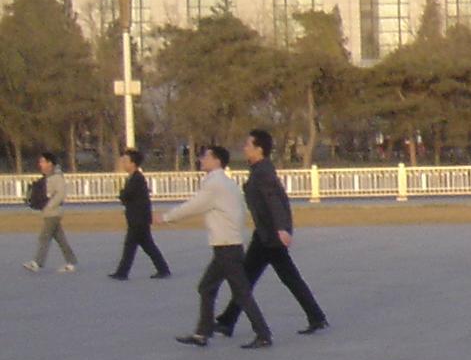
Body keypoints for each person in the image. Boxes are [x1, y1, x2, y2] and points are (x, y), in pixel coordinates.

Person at [214, 129, 328, 337]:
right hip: (265, 234)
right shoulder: (259, 170)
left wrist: (282, 229)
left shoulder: (263, 173)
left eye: (248, 145)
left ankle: (228, 320)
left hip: (270, 237)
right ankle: (228, 320)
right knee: (257, 277)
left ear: (259, 149)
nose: (244, 148)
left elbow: (276, 202)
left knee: (258, 278)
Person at [158, 145, 270, 348]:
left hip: (227, 245)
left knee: (241, 291)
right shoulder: (226, 182)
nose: (201, 159)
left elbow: (194, 206)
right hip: (227, 244)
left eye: (205, 156)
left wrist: (166, 218)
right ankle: (203, 332)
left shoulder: (215, 184)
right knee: (207, 287)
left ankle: (263, 334)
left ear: (217, 161)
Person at [106, 148, 170, 280]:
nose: (123, 164)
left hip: (138, 219)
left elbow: (126, 195)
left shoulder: (137, 179)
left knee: (131, 246)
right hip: (139, 218)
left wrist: (122, 194)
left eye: (125, 161)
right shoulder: (134, 178)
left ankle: (122, 272)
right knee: (147, 246)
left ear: (133, 163)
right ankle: (163, 269)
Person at [23, 153, 75, 273]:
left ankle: (37, 263)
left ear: (50, 163)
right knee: (61, 239)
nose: (40, 164)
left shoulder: (57, 177)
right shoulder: (47, 177)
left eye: (42, 161)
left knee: (44, 237)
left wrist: (49, 206)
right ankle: (71, 262)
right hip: (49, 212)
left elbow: (60, 194)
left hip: (53, 213)